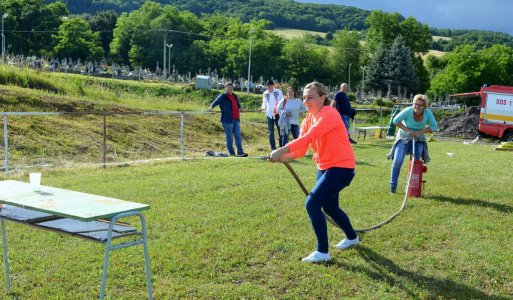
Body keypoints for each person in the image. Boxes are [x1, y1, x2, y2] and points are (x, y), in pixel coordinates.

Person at [269, 82, 359, 263]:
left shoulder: (330, 113)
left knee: (312, 204)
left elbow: (311, 136)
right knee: (330, 207)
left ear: (322, 97)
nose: (306, 101)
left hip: (342, 167)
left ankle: (322, 252)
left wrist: (282, 149)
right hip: (324, 167)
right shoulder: (307, 120)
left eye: (310, 97)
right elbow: (303, 148)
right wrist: (287, 156)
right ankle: (352, 237)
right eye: (304, 97)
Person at [388, 94, 438, 193]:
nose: (417, 107)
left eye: (420, 105)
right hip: (404, 137)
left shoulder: (427, 113)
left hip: (418, 138)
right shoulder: (408, 111)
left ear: (425, 106)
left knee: (415, 161)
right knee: (398, 160)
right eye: (415, 104)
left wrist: (421, 131)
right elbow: (395, 120)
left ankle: (410, 186)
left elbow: (434, 126)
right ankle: (393, 186)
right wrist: (407, 130)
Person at [208, 82, 248, 157]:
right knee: (229, 137)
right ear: (225, 88)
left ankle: (240, 152)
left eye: (231, 87)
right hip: (227, 120)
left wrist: (240, 108)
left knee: (238, 137)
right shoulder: (223, 96)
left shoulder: (234, 96)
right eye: (228, 87)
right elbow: (216, 101)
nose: (230, 89)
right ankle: (232, 153)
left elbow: (237, 104)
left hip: (236, 119)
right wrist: (211, 107)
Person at [261, 80, 284, 150]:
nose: (269, 87)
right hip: (269, 114)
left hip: (277, 114)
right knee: (271, 133)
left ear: (273, 86)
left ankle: (281, 147)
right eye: (268, 86)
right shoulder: (265, 93)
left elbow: (282, 101)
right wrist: (262, 108)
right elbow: (264, 102)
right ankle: (273, 148)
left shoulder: (278, 91)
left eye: (270, 86)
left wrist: (282, 110)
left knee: (280, 131)